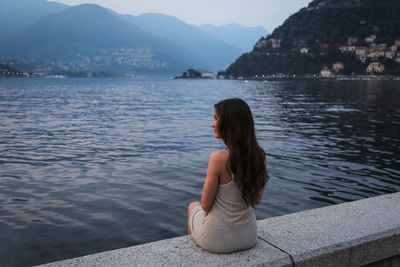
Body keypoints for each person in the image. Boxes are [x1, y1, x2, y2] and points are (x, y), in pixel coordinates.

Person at [187, 98, 268, 253]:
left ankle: (194, 255)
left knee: (193, 206)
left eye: (216, 119)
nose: (212, 124)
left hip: (218, 240)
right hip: (249, 236)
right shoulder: (260, 156)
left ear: (230, 125)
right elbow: (256, 200)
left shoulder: (218, 158)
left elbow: (205, 205)